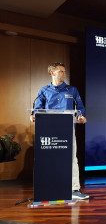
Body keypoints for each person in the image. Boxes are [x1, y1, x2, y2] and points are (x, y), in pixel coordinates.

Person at [30, 62, 89, 200]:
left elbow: (79, 107)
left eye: (64, 71)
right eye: (61, 71)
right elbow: (37, 108)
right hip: (48, 129)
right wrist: (33, 115)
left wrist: (80, 116)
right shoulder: (44, 91)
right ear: (52, 73)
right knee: (49, 159)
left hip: (67, 127)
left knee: (72, 158)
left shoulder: (72, 90)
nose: (64, 73)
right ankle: (50, 187)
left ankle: (75, 189)